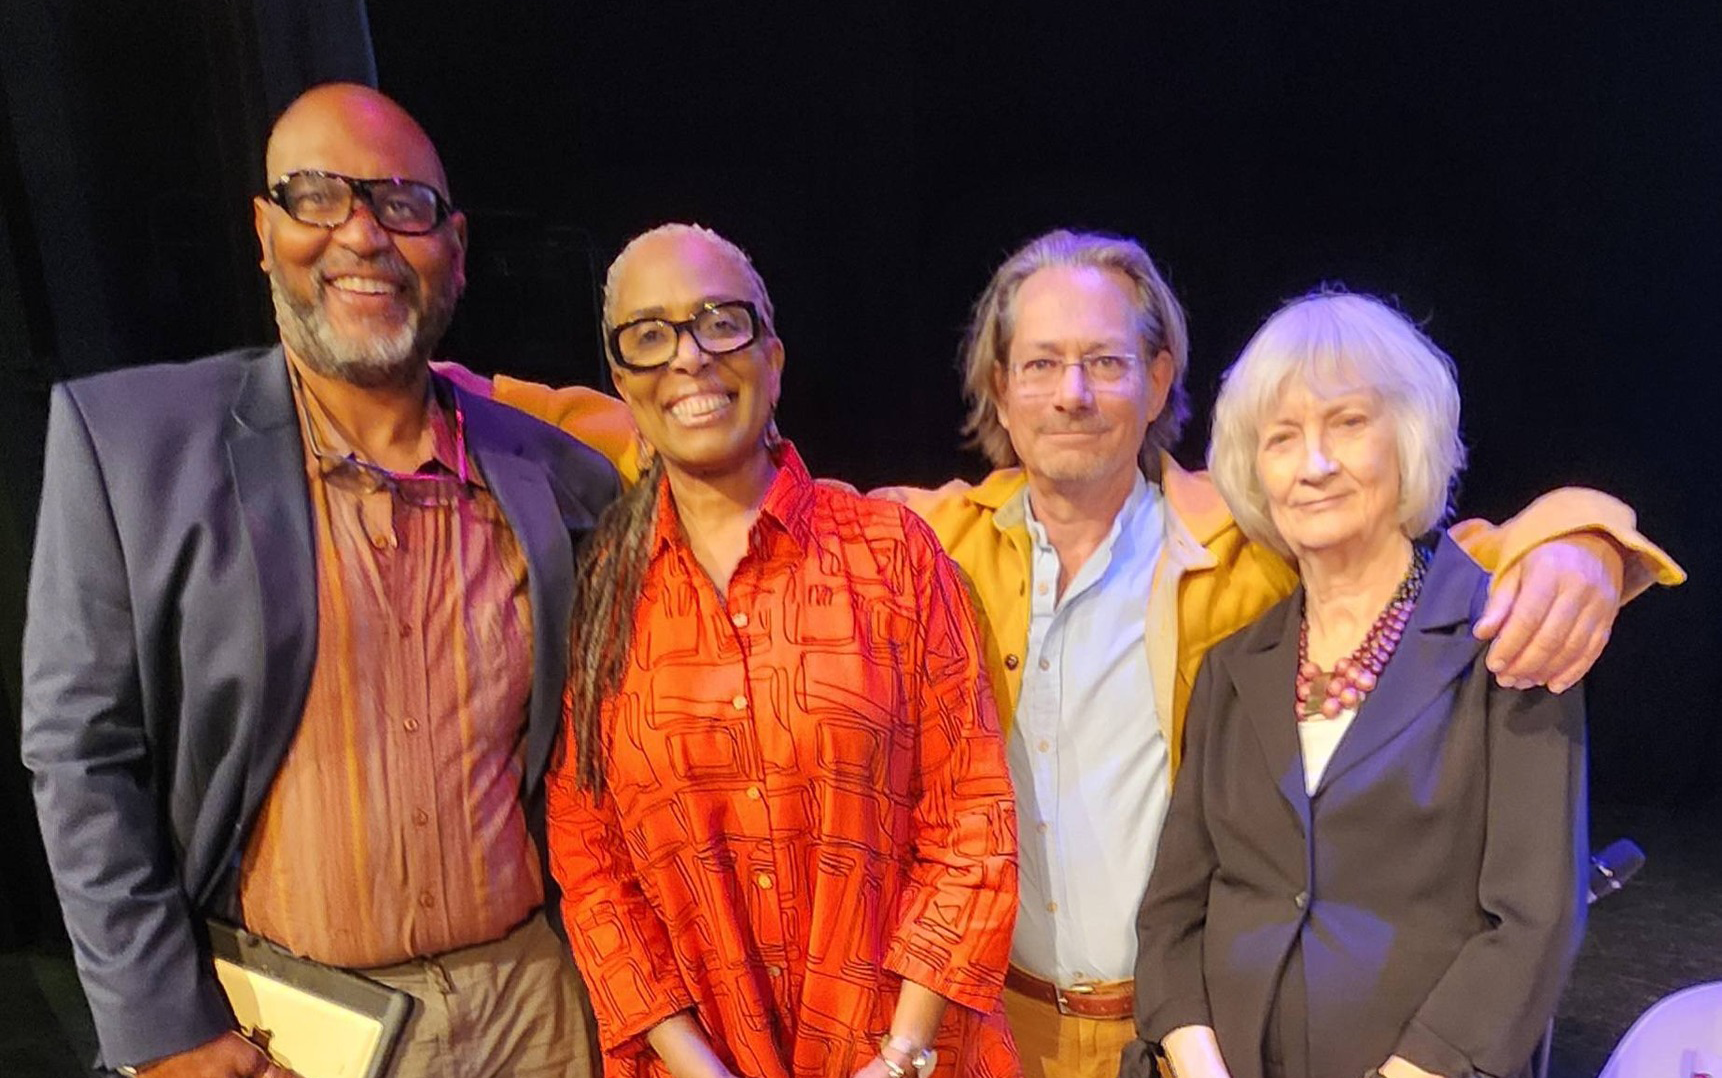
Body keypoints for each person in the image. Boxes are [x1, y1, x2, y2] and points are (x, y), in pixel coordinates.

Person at [456, 228, 1683, 1078]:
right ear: (999, 386)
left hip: (1175, 1034)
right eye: (1040, 363)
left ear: (1160, 379)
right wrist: (434, 389)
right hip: (991, 1031)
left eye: (1107, 360)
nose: (1073, 390)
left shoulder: (1242, 546)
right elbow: (652, 430)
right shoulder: (925, 540)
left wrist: (1582, 544)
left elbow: (1436, 546)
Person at [21, 83, 618, 1078]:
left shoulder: (562, 479)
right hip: (287, 1031)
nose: (362, 234)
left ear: (456, 248)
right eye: (318, 196)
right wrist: (163, 1026)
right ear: (264, 231)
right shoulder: (131, 448)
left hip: (540, 1015)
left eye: (402, 205)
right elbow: (80, 760)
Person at [543, 224, 1020, 1078]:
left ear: (773, 356)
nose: (688, 358)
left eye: (719, 322)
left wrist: (901, 1054)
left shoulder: (892, 555)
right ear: (622, 381)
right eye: (649, 336)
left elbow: (972, 819)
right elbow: (593, 866)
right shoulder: (603, 598)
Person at [1125, 291, 1599, 1078]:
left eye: (1348, 423)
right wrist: (1197, 1063)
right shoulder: (1234, 667)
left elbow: (1533, 920)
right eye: (1283, 438)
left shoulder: (1505, 637)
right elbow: (1173, 911)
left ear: (1408, 439)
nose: (1314, 464)